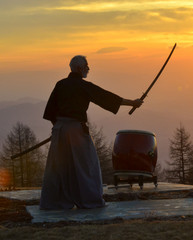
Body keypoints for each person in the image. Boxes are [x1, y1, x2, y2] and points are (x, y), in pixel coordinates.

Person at [40, 55, 143, 210]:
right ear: (80, 69)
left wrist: (59, 128)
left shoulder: (60, 84)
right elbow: (106, 97)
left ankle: (55, 203)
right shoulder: (84, 86)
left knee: (58, 168)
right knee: (87, 166)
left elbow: (50, 112)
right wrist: (132, 103)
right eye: (87, 66)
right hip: (76, 132)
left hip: (59, 131)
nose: (89, 69)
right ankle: (90, 201)